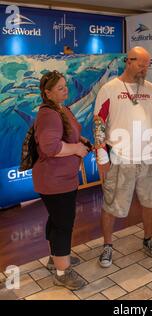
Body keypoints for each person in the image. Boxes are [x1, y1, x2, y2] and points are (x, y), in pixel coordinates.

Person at [94, 46, 152, 268]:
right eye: (141, 64)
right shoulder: (109, 89)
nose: (145, 69)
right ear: (128, 61)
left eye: (147, 65)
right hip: (119, 158)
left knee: (150, 201)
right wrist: (101, 157)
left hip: (148, 159)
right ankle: (107, 246)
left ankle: (148, 239)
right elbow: (98, 123)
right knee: (112, 204)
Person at [33, 70, 90, 290]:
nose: (66, 90)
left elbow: (67, 133)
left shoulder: (62, 108)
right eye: (60, 88)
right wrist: (75, 148)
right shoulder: (48, 114)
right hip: (54, 181)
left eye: (66, 86)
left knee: (56, 219)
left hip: (63, 178)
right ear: (47, 93)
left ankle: (54, 258)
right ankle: (62, 272)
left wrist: (80, 139)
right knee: (63, 224)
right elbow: (51, 147)